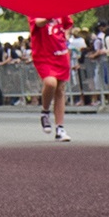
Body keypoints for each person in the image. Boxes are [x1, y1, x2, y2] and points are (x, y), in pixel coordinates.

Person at [32, 13, 73, 141]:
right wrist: (49, 15)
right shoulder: (34, 7)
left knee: (60, 89)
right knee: (51, 83)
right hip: (44, 54)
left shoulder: (61, 7)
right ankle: (45, 111)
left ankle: (60, 128)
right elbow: (38, 22)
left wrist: (66, 34)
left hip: (60, 52)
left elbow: (68, 24)